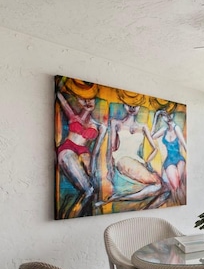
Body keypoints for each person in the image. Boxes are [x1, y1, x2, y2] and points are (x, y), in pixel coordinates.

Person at [96, 104, 165, 207]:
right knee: (159, 184)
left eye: (136, 105)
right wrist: (110, 168)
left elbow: (155, 148)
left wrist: (147, 162)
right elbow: (111, 148)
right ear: (124, 105)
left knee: (163, 188)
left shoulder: (143, 127)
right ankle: (115, 199)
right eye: (129, 105)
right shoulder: (115, 122)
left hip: (137, 160)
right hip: (122, 158)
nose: (132, 108)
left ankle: (117, 199)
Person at [56, 90, 106, 218]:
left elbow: (97, 150)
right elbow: (60, 97)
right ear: (79, 100)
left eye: (91, 99)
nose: (88, 102)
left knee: (93, 190)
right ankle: (69, 218)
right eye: (83, 99)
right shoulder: (73, 115)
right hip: (68, 149)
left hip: (84, 153)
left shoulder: (98, 124)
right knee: (89, 190)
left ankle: (79, 218)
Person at [151, 109, 187, 205]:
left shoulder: (177, 128)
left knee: (181, 186)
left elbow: (184, 145)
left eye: (168, 114)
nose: (167, 116)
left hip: (179, 159)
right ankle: (178, 205)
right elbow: (152, 136)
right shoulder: (164, 130)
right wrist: (155, 118)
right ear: (162, 118)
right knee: (175, 186)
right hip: (169, 161)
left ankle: (181, 205)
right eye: (163, 115)